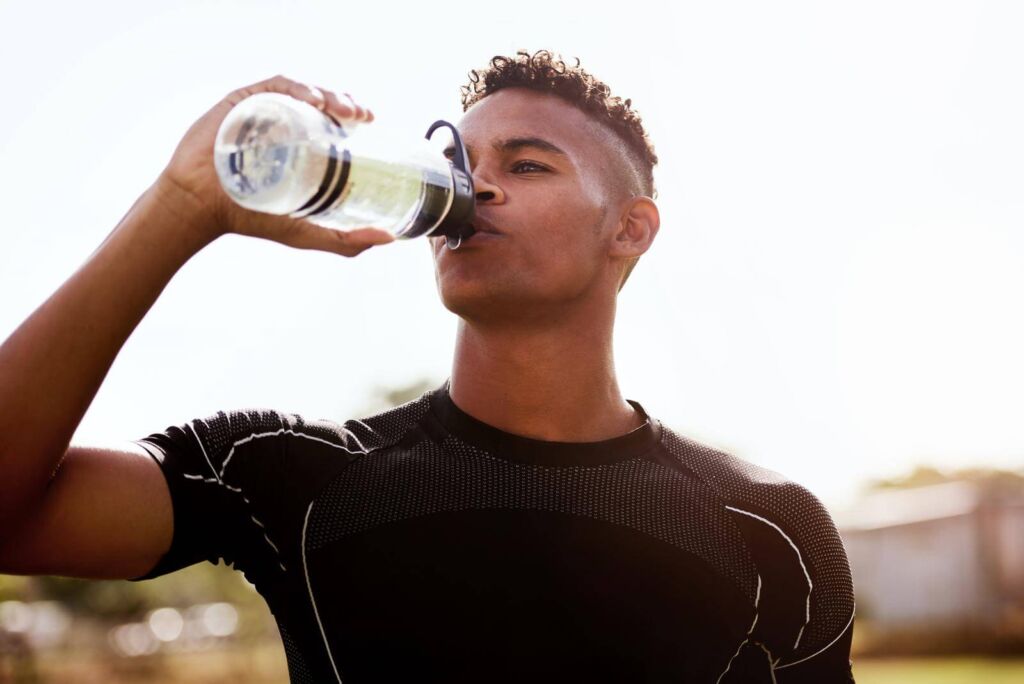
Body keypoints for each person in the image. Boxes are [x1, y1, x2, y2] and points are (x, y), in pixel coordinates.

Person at [0, 50, 856, 682]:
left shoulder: (769, 528)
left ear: (628, 229)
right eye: (460, 167)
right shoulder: (290, 475)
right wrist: (181, 206)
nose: (474, 190)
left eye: (525, 165)